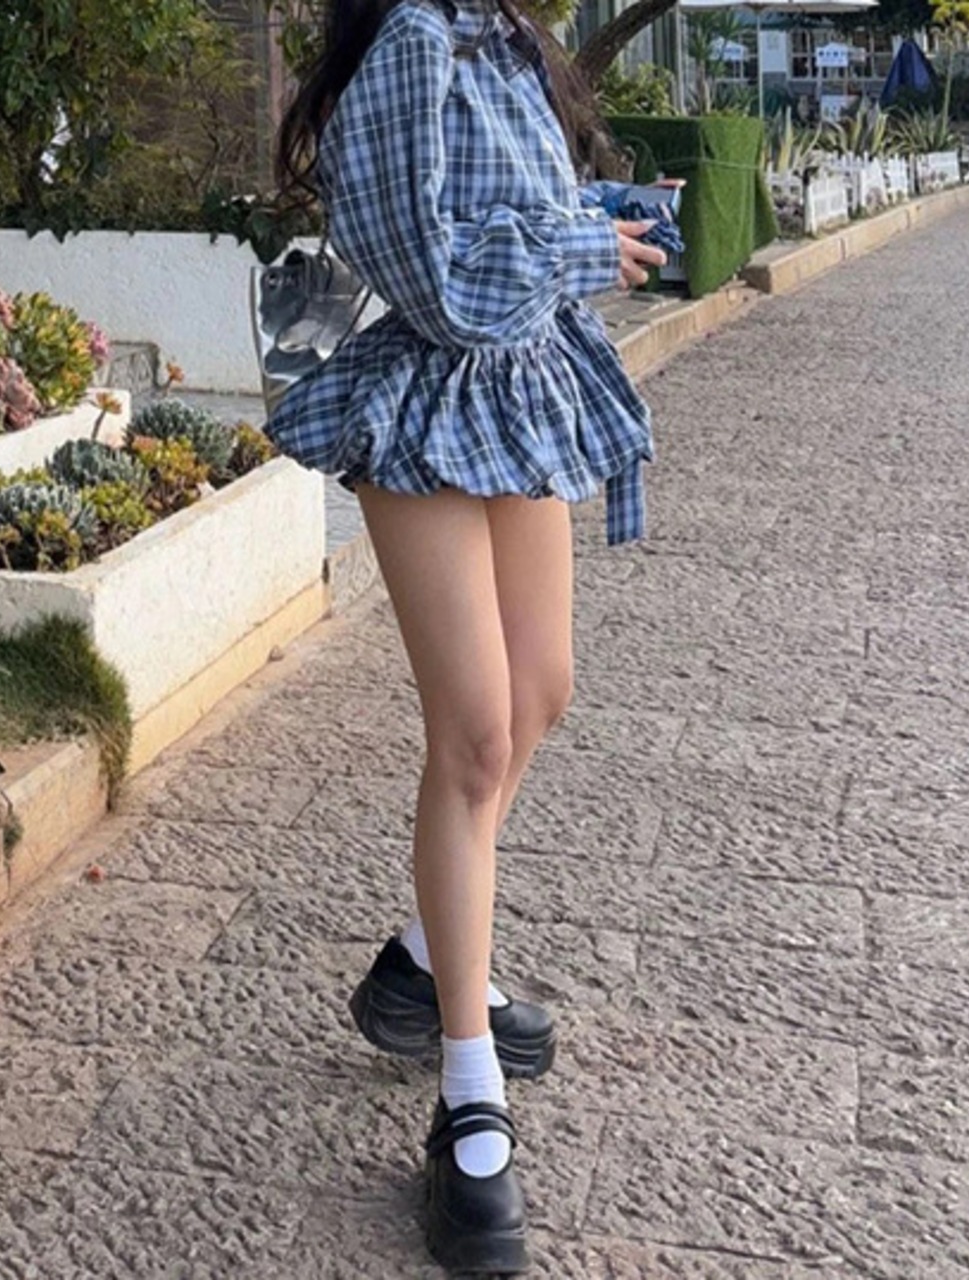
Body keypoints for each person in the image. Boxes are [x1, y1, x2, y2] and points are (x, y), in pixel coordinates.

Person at [269, 0, 665, 1271]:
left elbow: (514, 222)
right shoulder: (411, 46)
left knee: (541, 686)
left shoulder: (505, 40)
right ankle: (465, 1083)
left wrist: (599, 229)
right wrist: (573, 246)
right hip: (429, 400)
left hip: (518, 384)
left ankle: (426, 958)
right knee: (477, 732)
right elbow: (433, 276)